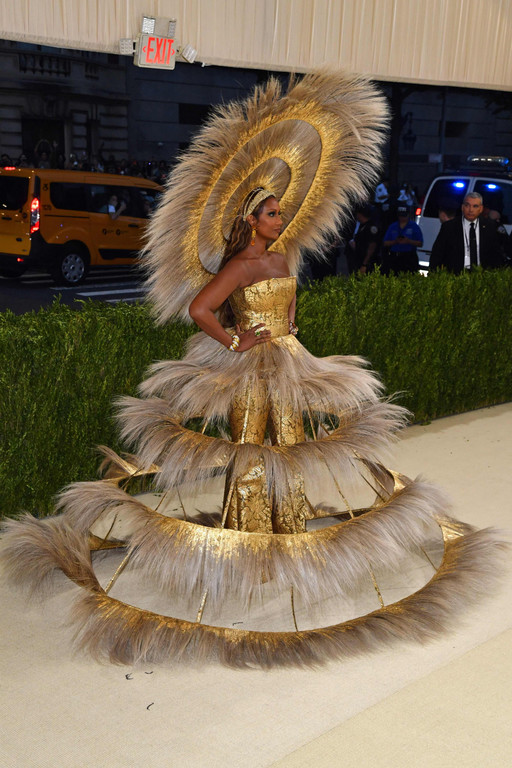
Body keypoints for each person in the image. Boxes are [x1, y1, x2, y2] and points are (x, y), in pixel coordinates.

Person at [2, 71, 505, 669]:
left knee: (290, 446)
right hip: (249, 368)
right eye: (270, 212)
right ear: (251, 219)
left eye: (281, 211)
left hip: (288, 362)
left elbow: (288, 303)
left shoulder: (284, 255)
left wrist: (288, 328)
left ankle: (287, 536)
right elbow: (199, 309)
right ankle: (244, 546)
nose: (279, 218)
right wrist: (236, 339)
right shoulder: (241, 263)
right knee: (250, 450)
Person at [430, 192, 506, 272]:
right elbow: (437, 255)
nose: (471, 210)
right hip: (455, 275)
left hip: (483, 275)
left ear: (481, 209)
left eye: (475, 206)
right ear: (462, 207)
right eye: (467, 205)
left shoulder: (491, 227)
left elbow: (497, 255)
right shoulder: (449, 227)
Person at [382, 204, 423, 273]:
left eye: (404, 216)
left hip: (409, 256)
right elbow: (385, 242)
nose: (402, 218)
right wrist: (395, 241)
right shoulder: (393, 226)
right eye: (400, 216)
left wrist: (408, 241)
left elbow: (420, 243)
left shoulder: (414, 226)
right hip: (395, 256)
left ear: (408, 215)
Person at [347, 203, 380, 274]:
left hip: (366, 262)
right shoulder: (362, 226)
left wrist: (364, 264)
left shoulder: (371, 227)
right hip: (358, 259)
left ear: (360, 214)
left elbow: (372, 247)